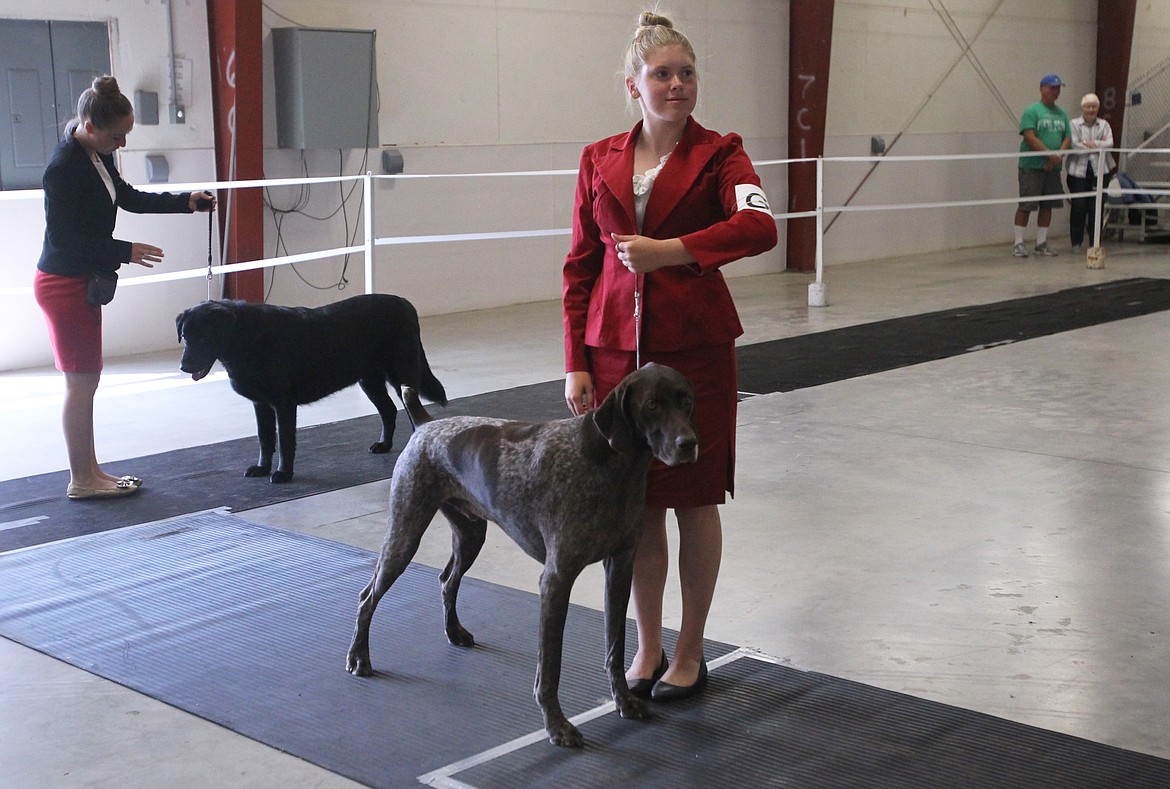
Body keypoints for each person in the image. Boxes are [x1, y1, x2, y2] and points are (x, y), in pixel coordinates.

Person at [562, 12, 777, 701]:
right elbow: (580, 266)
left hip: (696, 360)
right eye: (663, 74)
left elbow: (758, 225)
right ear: (635, 84)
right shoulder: (597, 158)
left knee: (694, 498)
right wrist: (576, 360)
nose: (677, 84)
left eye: (687, 73)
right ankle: (647, 646)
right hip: (615, 363)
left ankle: (690, 650)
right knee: (638, 507)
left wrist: (673, 252)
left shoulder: (722, 154)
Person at [33, 75, 216, 500]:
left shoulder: (94, 154)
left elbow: (127, 196)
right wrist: (124, 250)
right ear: (91, 126)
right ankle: (82, 479)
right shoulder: (63, 168)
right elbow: (64, 240)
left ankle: (91, 470)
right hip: (64, 284)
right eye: (118, 136)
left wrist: (184, 200)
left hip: (79, 281)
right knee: (81, 382)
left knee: (86, 381)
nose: (123, 144)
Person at [1012, 73, 1072, 258]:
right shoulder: (1032, 111)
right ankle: (1019, 242)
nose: (1055, 92)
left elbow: (1067, 137)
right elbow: (1030, 136)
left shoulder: (1062, 114)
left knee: (1048, 205)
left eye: (1058, 88)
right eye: (1052, 87)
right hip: (1032, 166)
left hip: (1053, 167)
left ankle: (1041, 242)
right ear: (1042, 88)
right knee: (1027, 203)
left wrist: (1058, 156)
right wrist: (1049, 155)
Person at [1066, 92, 1115, 253]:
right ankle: (1076, 242)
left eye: (1094, 107)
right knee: (1079, 207)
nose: (1091, 110)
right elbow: (1073, 145)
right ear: (1082, 108)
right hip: (1077, 173)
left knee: (1096, 208)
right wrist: (1096, 146)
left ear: (1098, 108)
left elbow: (1110, 144)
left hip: (1100, 172)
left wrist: (1089, 144)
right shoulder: (1073, 124)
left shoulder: (1104, 124)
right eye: (1088, 107)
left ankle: (1095, 243)